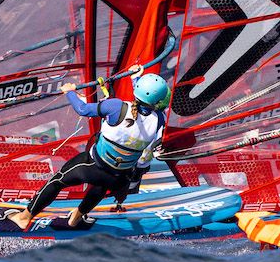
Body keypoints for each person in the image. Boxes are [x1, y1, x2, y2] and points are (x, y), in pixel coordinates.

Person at [22, 73, 172, 230]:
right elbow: (145, 106)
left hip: (92, 167)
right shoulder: (159, 120)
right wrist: (135, 79)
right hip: (119, 178)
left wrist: (70, 92)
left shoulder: (116, 106)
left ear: (137, 92)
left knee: (57, 182)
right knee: (101, 185)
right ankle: (75, 218)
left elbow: (82, 109)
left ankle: (25, 217)